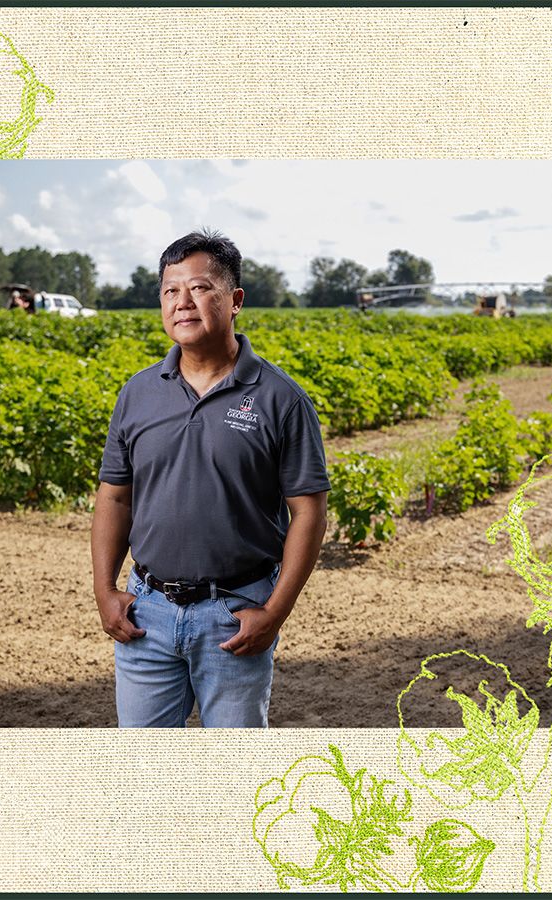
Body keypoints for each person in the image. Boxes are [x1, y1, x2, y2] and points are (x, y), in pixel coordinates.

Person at [91, 229, 330, 728]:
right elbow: (114, 498)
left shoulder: (280, 398)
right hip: (146, 615)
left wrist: (275, 612)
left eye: (200, 288)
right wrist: (104, 591)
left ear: (235, 300)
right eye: (170, 291)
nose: (183, 303)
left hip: (234, 616)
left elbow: (308, 513)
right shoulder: (138, 393)